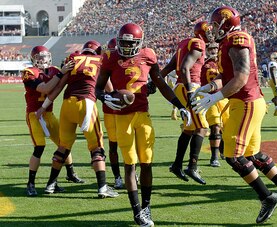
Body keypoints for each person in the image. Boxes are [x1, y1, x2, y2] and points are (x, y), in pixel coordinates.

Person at [191, 6, 277, 224]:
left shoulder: (237, 39)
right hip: (247, 102)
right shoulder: (228, 41)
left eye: (215, 24)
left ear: (225, 23)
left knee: (232, 155)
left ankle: (267, 197)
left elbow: (240, 77)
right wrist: (210, 87)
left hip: (245, 103)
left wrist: (216, 97)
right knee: (252, 154)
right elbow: (228, 75)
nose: (212, 29)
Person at [95, 23, 191, 227]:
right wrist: (105, 97)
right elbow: (98, 88)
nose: (127, 47)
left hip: (142, 114)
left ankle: (147, 207)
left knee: (147, 163)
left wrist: (179, 105)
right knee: (130, 165)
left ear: (140, 43)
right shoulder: (110, 57)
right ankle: (137, 211)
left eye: (131, 43)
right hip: (122, 117)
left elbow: (160, 83)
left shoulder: (148, 55)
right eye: (123, 43)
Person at [37, 40, 119, 198]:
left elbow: (59, 86)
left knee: (63, 146)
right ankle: (102, 187)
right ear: (98, 51)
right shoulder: (100, 60)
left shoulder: (73, 58)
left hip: (67, 105)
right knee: (97, 147)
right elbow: (109, 89)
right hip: (86, 104)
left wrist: (44, 106)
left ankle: (50, 184)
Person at [23, 45, 83, 197]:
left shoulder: (55, 70)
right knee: (39, 147)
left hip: (48, 114)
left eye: (44, 56)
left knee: (64, 143)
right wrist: (61, 73)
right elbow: (45, 88)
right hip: (34, 114)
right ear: (33, 59)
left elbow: (68, 78)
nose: (42, 60)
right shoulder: (29, 72)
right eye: (39, 57)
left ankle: (70, 173)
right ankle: (30, 183)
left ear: (49, 57)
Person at [160, 20, 214, 185]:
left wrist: (157, 79)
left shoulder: (186, 42)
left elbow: (170, 65)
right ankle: (192, 166)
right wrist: (191, 91)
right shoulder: (198, 43)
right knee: (202, 127)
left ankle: (177, 165)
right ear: (204, 32)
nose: (212, 34)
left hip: (181, 86)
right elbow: (184, 68)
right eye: (210, 31)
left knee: (190, 129)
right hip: (188, 86)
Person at [199, 41, 228, 167]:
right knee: (215, 126)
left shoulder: (224, 63)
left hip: (223, 97)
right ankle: (214, 157)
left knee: (226, 127)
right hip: (210, 97)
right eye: (211, 48)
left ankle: (222, 150)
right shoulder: (202, 65)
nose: (214, 50)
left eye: (216, 48)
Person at [101, 38, 124, 189]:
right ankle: (117, 177)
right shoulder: (106, 63)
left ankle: (130, 172)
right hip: (111, 110)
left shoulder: (129, 62)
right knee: (114, 145)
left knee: (129, 144)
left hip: (126, 110)